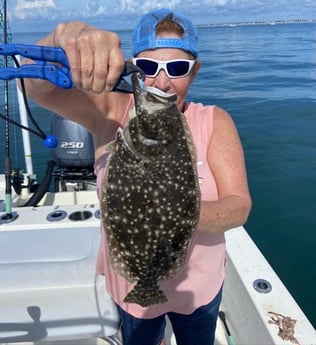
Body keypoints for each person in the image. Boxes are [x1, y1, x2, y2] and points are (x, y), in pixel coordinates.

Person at [22, 8, 252, 345]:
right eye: (147, 68)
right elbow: (33, 85)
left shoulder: (214, 121)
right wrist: (65, 37)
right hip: (131, 284)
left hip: (198, 286)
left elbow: (239, 207)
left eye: (176, 68)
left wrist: (178, 212)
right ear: (132, 68)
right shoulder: (111, 115)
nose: (161, 82)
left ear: (194, 72)